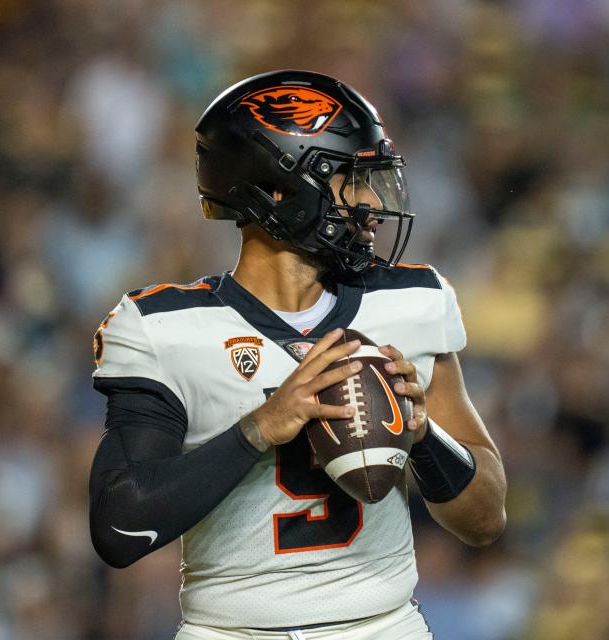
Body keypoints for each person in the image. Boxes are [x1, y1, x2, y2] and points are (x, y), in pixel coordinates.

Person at [88, 69, 507, 639]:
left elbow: (486, 520)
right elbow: (119, 529)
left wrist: (425, 436)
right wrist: (258, 429)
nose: (367, 202)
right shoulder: (166, 330)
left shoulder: (411, 304)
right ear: (278, 190)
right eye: (347, 180)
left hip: (381, 627)